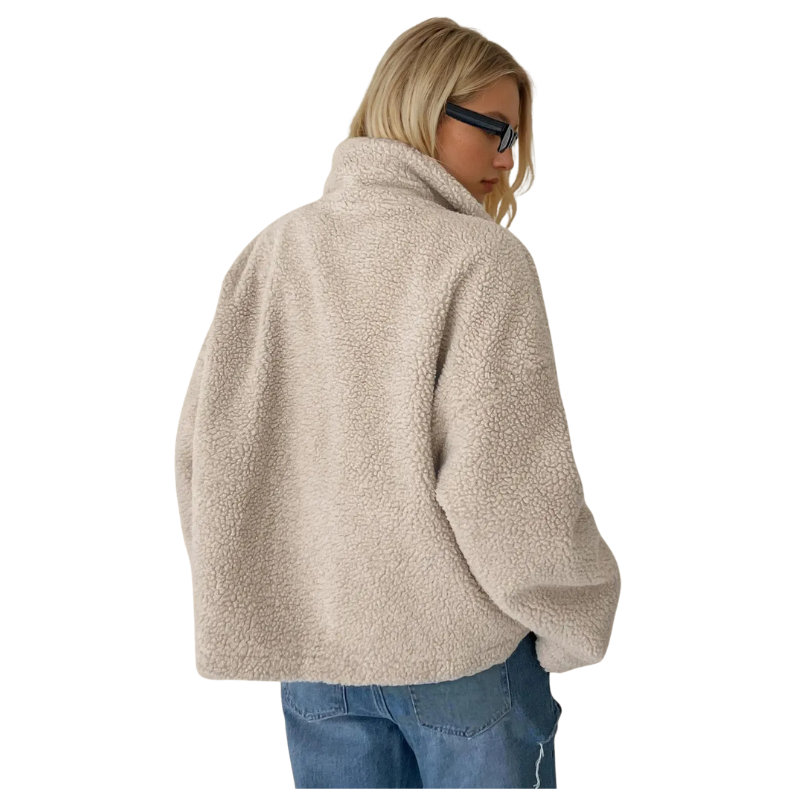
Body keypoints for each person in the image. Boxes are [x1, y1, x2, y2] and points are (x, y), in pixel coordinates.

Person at [174, 16, 621, 790]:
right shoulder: (481, 260)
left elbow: (205, 457)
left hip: (318, 670)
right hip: (463, 662)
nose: (507, 158)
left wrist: (279, 598)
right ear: (421, 107)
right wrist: (574, 615)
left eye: (516, 138)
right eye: (495, 129)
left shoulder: (273, 252)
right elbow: (505, 486)